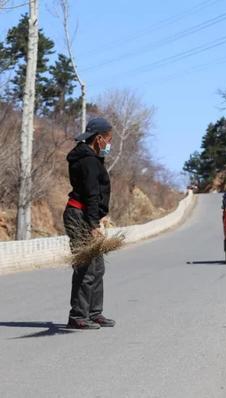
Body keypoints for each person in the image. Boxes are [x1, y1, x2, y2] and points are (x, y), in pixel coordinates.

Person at [64, 117, 115, 329]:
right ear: (99, 138)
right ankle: (78, 315)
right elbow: (92, 194)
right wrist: (94, 224)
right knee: (85, 268)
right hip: (80, 217)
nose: (109, 144)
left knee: (98, 268)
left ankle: (94, 312)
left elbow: (96, 194)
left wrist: (100, 215)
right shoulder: (88, 161)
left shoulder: (92, 158)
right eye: (109, 139)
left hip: (86, 215)